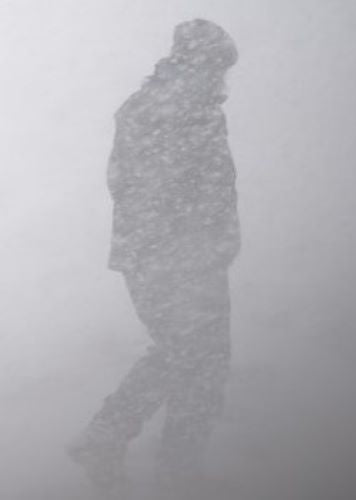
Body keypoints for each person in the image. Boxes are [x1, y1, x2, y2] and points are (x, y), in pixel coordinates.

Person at [67, 19, 240, 499]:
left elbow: (130, 184)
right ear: (200, 61)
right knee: (201, 362)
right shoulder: (179, 110)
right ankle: (178, 476)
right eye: (219, 66)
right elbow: (161, 191)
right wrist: (196, 245)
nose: (223, 79)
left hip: (160, 256)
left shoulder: (157, 106)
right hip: (181, 259)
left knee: (181, 354)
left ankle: (106, 440)